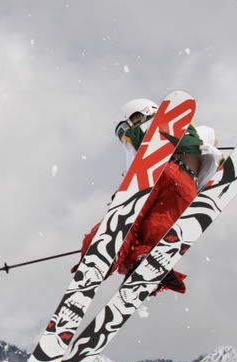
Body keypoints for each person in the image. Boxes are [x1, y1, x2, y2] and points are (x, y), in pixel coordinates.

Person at [76, 98, 222, 294]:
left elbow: (133, 178)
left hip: (156, 176)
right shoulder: (196, 134)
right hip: (187, 189)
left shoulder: (146, 134)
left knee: (127, 223)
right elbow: (212, 142)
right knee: (158, 229)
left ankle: (102, 253)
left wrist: (122, 195)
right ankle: (144, 260)